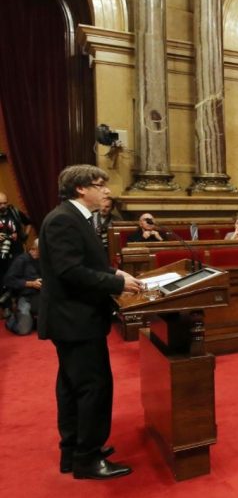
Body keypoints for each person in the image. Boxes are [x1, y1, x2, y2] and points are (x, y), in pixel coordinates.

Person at [38, 164, 143, 479]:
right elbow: (70, 271)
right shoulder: (63, 221)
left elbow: (82, 262)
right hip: (75, 320)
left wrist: (114, 273)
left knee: (72, 386)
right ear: (81, 188)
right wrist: (116, 284)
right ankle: (87, 457)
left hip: (75, 318)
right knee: (92, 387)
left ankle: (74, 450)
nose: (107, 190)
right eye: (101, 185)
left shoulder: (72, 218)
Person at [4, 238, 41, 335]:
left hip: (42, 297)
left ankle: (34, 320)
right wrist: (30, 283)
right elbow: (8, 280)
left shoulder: (45, 261)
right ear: (35, 248)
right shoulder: (21, 260)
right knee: (23, 330)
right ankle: (12, 319)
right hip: (25, 297)